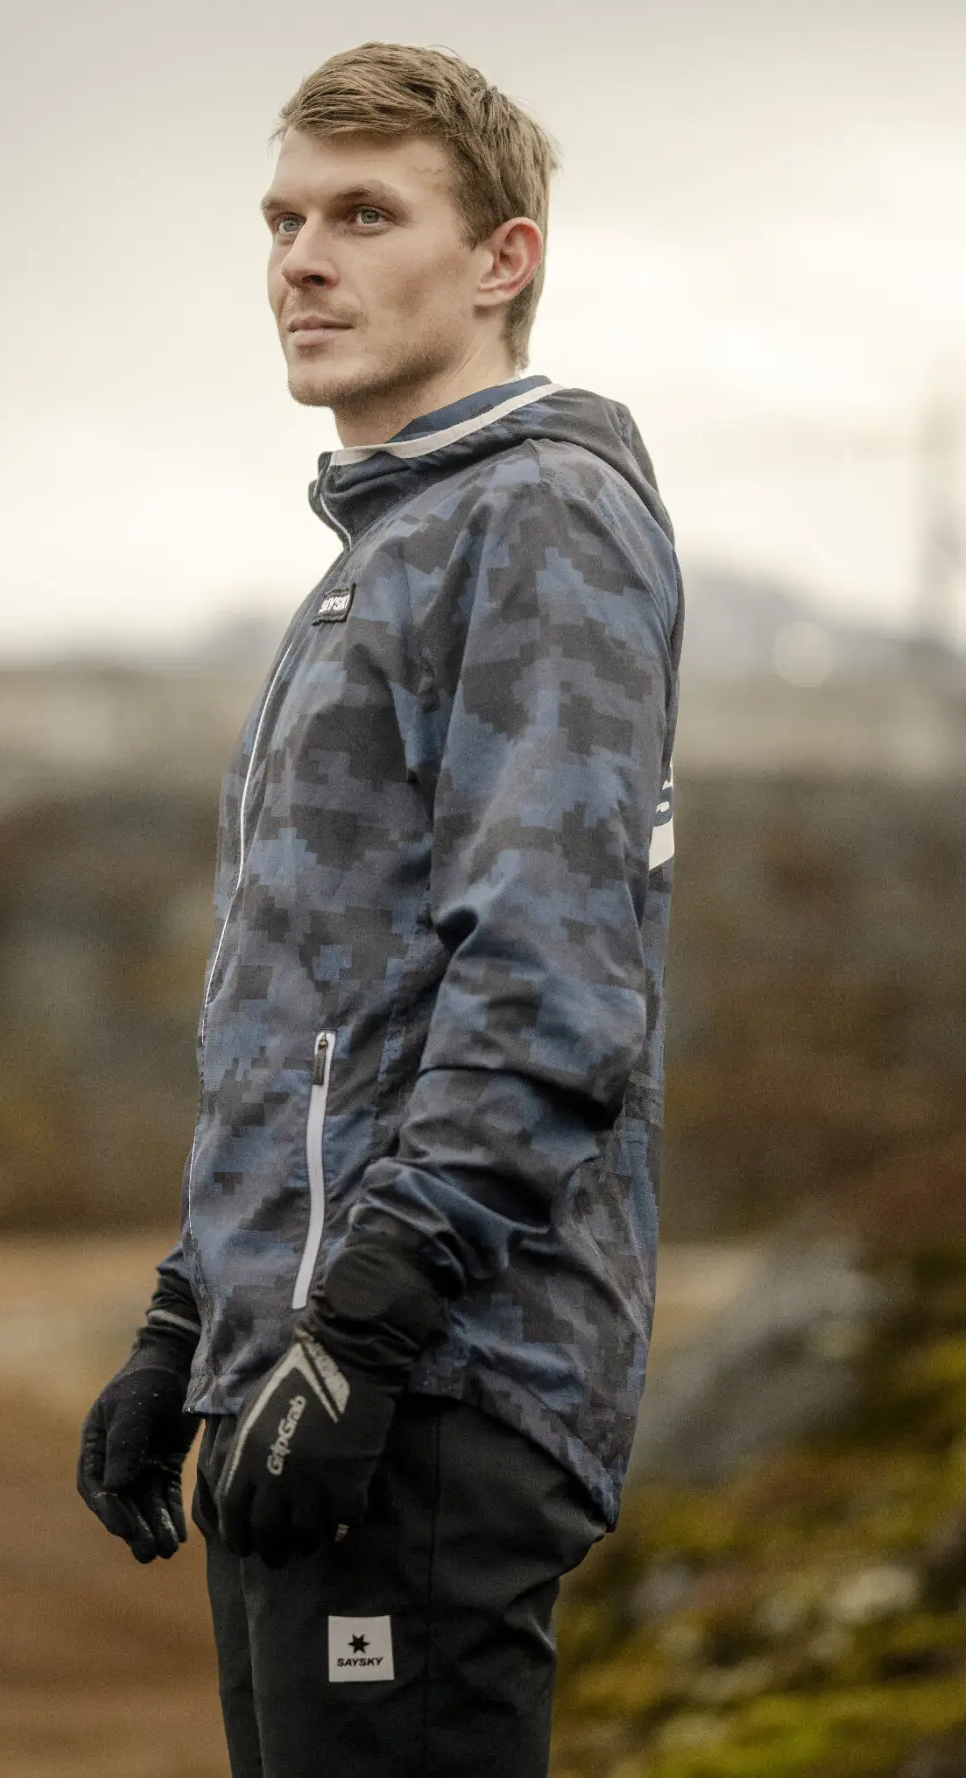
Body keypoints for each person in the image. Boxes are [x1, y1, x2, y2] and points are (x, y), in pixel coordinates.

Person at [78, 40, 682, 1778]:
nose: (301, 261)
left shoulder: (541, 518)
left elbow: (552, 983)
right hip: (309, 1376)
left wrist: (360, 1333)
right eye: (282, 221)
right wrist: (187, 1322)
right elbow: (319, 1024)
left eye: (362, 215)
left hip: (434, 1388)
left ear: (503, 259)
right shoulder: (382, 556)